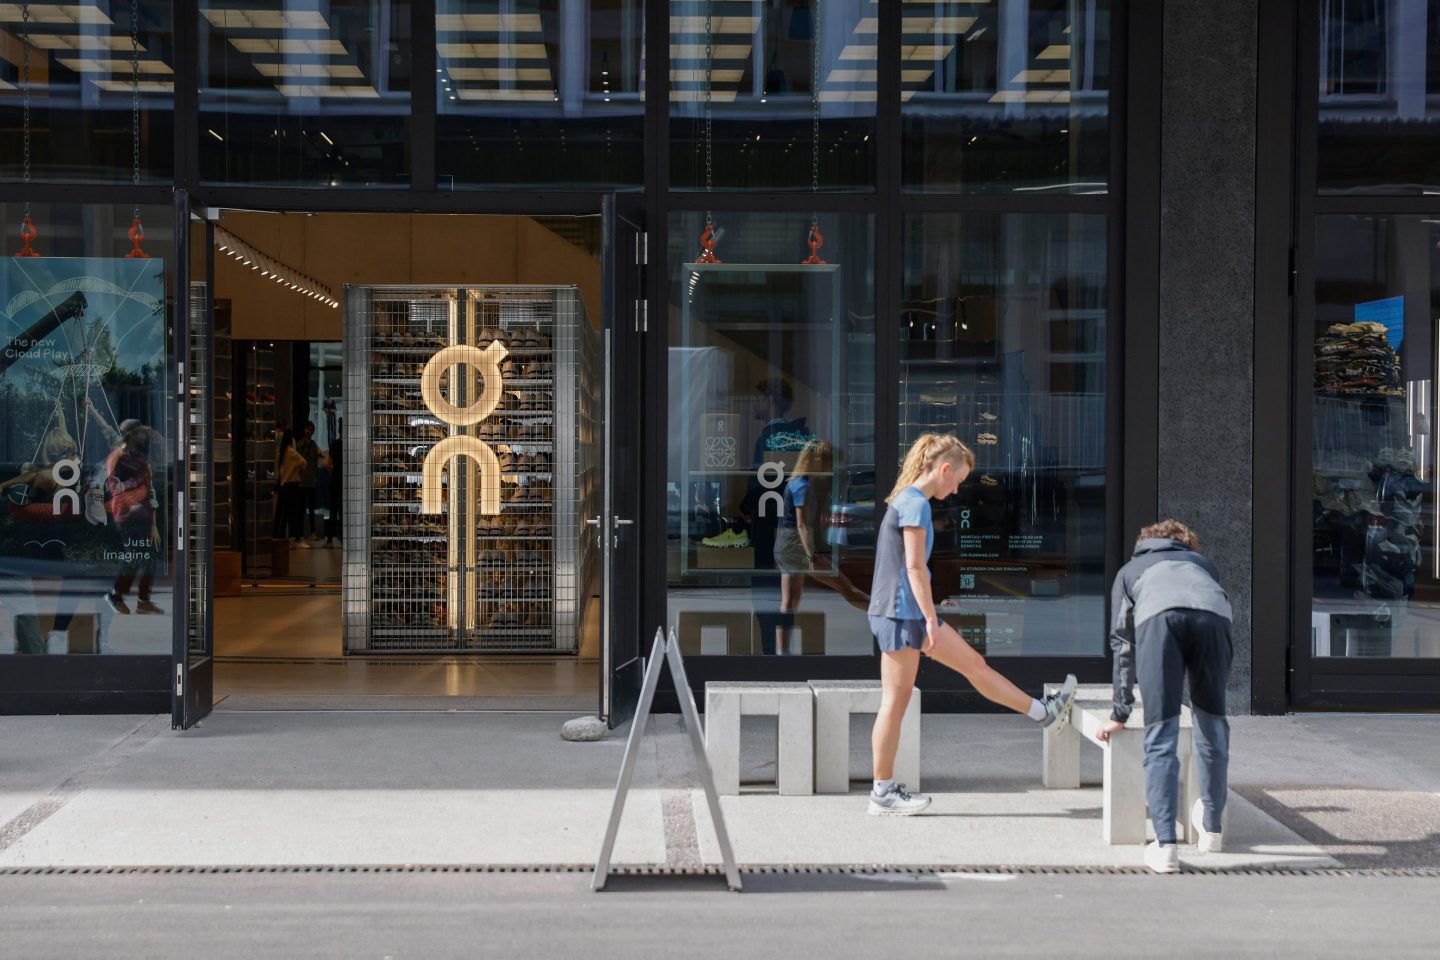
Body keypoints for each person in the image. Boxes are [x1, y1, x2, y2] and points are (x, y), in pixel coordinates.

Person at [866, 432, 1077, 816]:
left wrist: (931, 609)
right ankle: (882, 793)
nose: (957, 488)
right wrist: (930, 617)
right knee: (894, 703)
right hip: (902, 615)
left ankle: (1045, 713)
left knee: (973, 666)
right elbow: (913, 567)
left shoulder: (910, 501)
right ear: (944, 469)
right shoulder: (915, 504)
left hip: (905, 612)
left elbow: (911, 569)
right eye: (958, 480)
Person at [1096, 520, 1233, 874]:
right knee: (1211, 723)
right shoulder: (1203, 566)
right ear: (1188, 544)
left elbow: (1123, 644)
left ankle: (1166, 846)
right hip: (1214, 621)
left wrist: (1120, 711)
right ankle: (1213, 830)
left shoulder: (1130, 571)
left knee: (1162, 732)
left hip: (1160, 621)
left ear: (1144, 544)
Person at [103, 422, 162, 615]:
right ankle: (115, 593)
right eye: (139, 433)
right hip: (127, 516)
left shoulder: (140, 459)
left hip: (143, 514)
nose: (142, 438)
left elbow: (150, 487)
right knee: (134, 554)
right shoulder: (116, 457)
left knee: (150, 557)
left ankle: (143, 601)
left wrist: (153, 523)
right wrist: (132, 494)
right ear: (130, 435)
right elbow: (113, 486)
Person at [274, 429, 307, 547]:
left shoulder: (280, 452)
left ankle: (280, 539)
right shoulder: (292, 452)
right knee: (295, 514)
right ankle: (297, 538)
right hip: (292, 486)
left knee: (283, 514)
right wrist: (296, 467)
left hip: (283, 486)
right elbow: (304, 462)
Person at [296, 420, 321, 540]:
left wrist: (315, 477)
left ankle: (312, 532)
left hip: (311, 481)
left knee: (311, 508)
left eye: (311, 430)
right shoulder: (299, 444)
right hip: (301, 481)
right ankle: (299, 534)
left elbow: (315, 463)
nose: (309, 432)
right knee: (300, 508)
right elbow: (298, 460)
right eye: (307, 429)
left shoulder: (314, 445)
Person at [324, 425, 343, 547]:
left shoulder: (334, 444)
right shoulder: (350, 445)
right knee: (344, 512)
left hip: (335, 482)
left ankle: (330, 539)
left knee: (332, 511)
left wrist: (332, 476)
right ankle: (343, 538)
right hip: (345, 483)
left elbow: (328, 464)